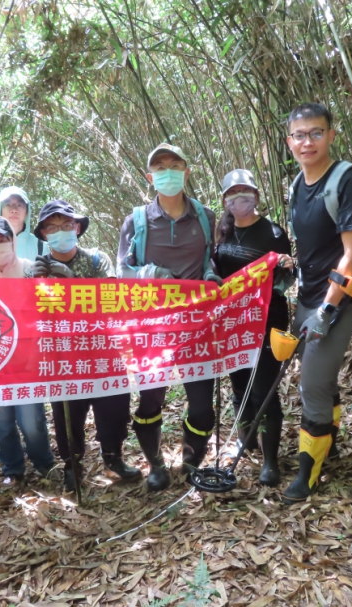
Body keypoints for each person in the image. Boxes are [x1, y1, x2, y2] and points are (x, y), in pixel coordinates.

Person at [283, 103, 352, 503]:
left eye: (316, 133)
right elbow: (309, 246)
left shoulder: (347, 180)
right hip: (307, 295)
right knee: (319, 379)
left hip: (339, 299)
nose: (308, 142)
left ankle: (309, 472)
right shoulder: (296, 185)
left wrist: (326, 308)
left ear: (331, 135)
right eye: (299, 135)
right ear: (289, 141)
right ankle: (329, 441)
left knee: (311, 383)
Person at [116, 143, 221, 491]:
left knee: (203, 405)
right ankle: (156, 465)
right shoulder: (137, 221)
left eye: (175, 165)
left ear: (186, 172)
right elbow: (123, 272)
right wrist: (152, 273)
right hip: (152, 326)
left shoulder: (206, 217)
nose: (168, 172)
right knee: (150, 400)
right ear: (150, 177)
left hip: (196, 325)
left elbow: (212, 259)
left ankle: (191, 463)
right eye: (160, 168)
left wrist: (210, 276)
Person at [31, 200, 141, 492]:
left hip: (102, 346)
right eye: (52, 227)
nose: (60, 232)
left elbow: (113, 297)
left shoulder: (96, 259)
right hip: (62, 352)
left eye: (66, 225)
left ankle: (113, 457)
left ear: (77, 228)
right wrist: (34, 282)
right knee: (67, 410)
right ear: (43, 234)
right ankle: (72, 463)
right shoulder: (35, 270)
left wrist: (73, 281)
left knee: (115, 406)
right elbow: (28, 316)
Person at [213, 169, 294, 486]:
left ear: (257, 196)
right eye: (233, 192)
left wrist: (288, 266)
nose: (240, 197)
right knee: (239, 386)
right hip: (233, 323)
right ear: (225, 201)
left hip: (267, 320)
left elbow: (286, 279)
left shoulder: (273, 232)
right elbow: (214, 275)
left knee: (264, 389)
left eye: (246, 190)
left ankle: (271, 462)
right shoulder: (223, 234)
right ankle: (247, 446)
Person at [0, 216, 55, 486]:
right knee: (2, 422)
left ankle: (44, 465)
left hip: (28, 362)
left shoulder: (30, 271)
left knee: (32, 421)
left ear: (12, 240)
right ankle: (12, 470)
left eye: (2, 240)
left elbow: (48, 310)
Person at [0, 187, 50, 461]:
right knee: (0, 416)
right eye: (7, 204)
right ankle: (7, 461)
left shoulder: (37, 247)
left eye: (19, 204)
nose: (13, 208)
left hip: (29, 344)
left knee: (31, 415)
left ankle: (43, 461)